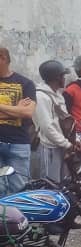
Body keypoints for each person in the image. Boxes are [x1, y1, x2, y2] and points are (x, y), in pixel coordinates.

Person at [34, 60, 80, 183]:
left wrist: (75, 140)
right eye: (62, 76)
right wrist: (66, 144)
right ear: (56, 78)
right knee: (50, 184)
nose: (64, 79)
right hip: (48, 146)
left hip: (60, 145)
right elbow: (47, 127)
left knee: (62, 183)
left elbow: (65, 121)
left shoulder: (58, 95)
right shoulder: (41, 96)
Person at [0, 47, 36, 195]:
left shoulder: (25, 83)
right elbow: (21, 112)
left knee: (19, 189)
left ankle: (18, 218)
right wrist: (16, 110)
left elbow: (27, 112)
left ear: (3, 58)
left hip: (19, 144)